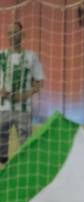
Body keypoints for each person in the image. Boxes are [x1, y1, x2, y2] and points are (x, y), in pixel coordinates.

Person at [0, 22, 42, 164]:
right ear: (6, 35)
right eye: (10, 33)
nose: (13, 35)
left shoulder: (31, 56)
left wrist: (24, 95)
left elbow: (39, 83)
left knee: (26, 148)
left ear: (22, 34)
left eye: (16, 32)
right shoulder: (1, 56)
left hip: (23, 109)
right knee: (1, 149)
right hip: (2, 109)